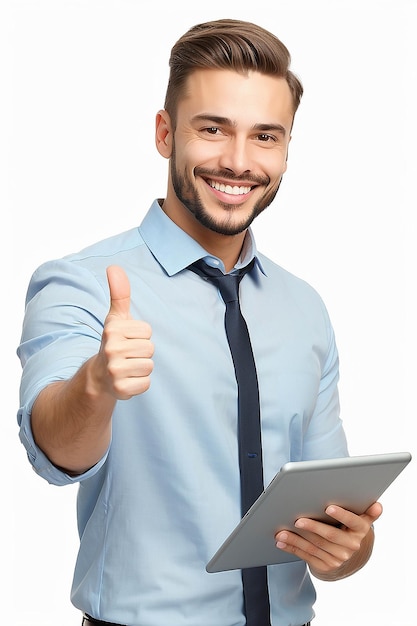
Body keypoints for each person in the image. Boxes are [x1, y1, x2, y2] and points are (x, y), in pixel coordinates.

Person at [17, 18, 382, 626]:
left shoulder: (305, 308)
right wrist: (96, 386)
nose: (238, 162)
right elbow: (53, 452)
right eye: (213, 129)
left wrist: (350, 549)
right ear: (166, 133)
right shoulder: (81, 283)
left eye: (266, 137)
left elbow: (332, 518)